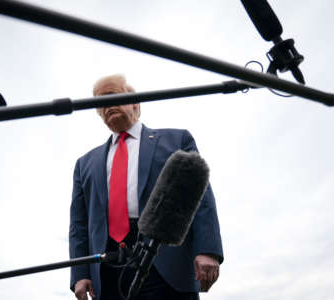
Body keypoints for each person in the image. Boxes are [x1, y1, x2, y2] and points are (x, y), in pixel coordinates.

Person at [69, 74, 223, 300]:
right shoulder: (85, 163)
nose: (105, 106)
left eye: (112, 96)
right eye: (98, 103)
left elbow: (201, 197)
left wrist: (208, 249)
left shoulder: (176, 140)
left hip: (164, 255)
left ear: (135, 102)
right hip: (108, 267)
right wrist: (80, 273)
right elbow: (79, 224)